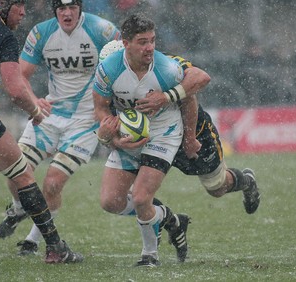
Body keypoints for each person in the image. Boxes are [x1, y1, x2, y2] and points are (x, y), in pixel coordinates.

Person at [98, 40, 261, 262]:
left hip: (189, 132)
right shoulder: (106, 77)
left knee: (217, 187)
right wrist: (111, 139)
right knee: (117, 199)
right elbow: (103, 121)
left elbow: (193, 89)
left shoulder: (163, 65)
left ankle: (246, 181)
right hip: (148, 140)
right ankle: (168, 223)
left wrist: (190, 137)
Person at [0, 0, 83, 263]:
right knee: (22, 174)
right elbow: (15, 89)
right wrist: (35, 111)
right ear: (2, 5)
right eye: (19, 5)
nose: (23, 12)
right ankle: (55, 247)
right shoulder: (3, 34)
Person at [0, 0, 121, 256]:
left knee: (52, 184)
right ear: (54, 10)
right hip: (49, 114)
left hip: (85, 120)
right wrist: (34, 101)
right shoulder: (41, 32)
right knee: (14, 172)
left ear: (80, 8)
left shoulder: (103, 31)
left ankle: (32, 240)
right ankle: (19, 208)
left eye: (72, 7)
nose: (67, 13)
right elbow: (21, 75)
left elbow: (122, 66)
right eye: (61, 8)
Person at [93, 14, 201, 267]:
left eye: (152, 40)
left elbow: (190, 98)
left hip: (163, 132)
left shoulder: (167, 69)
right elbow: (100, 108)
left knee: (141, 198)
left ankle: (149, 255)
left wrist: (190, 137)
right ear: (126, 43)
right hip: (129, 135)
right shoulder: (108, 69)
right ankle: (169, 218)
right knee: (111, 202)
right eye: (142, 42)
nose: (150, 47)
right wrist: (112, 136)